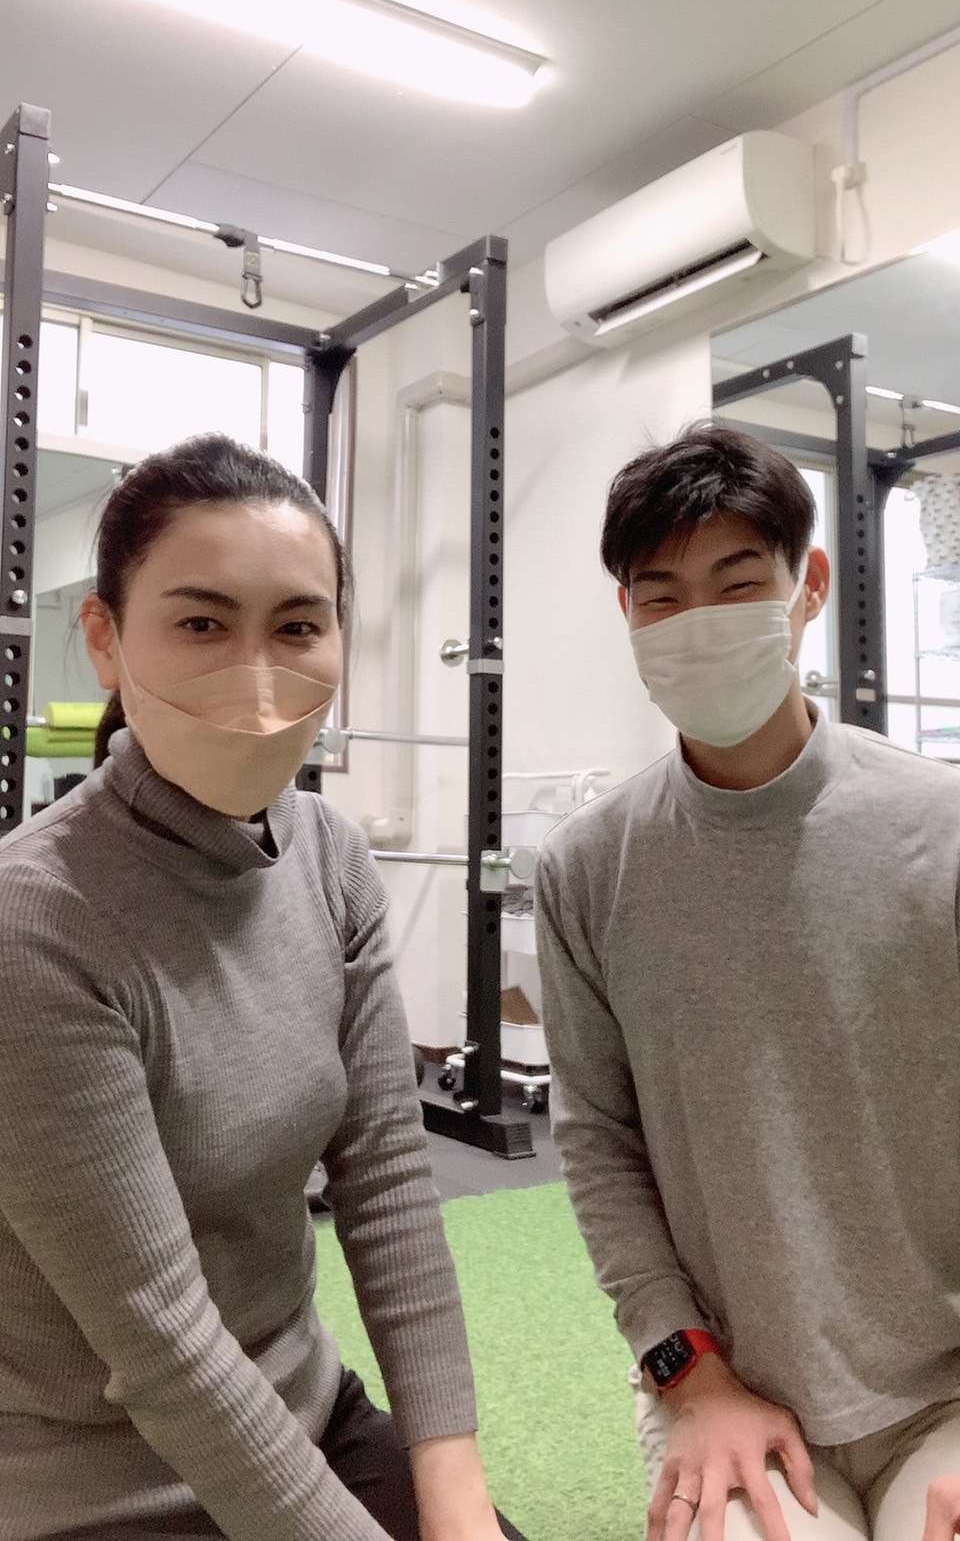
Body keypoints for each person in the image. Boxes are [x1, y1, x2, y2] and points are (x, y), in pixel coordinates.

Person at [0, 433, 523, 1541]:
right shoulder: (36, 922)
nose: (256, 672)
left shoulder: (330, 856)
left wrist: (456, 1489)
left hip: (303, 1411)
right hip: (95, 1480)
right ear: (105, 638)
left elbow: (387, 1182)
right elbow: (161, 1336)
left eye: (297, 626)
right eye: (201, 624)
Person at [535, 421, 960, 1541]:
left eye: (736, 585)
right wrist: (688, 1371)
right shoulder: (589, 867)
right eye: (663, 597)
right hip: (726, 1382)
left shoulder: (943, 828)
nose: (700, 623)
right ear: (628, 614)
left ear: (806, 586)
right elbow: (598, 1142)